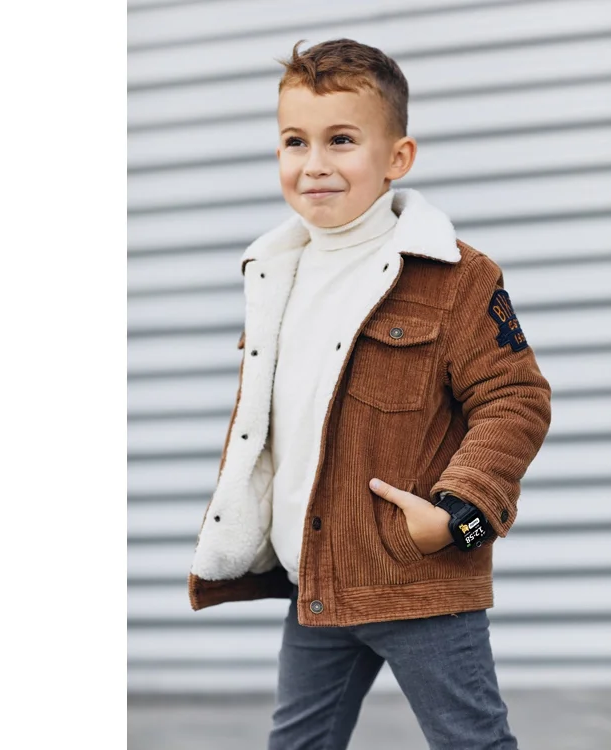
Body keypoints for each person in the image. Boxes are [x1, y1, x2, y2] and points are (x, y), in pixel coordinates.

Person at [188, 37, 551, 750]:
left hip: (414, 578)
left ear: (397, 158)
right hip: (317, 580)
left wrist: (457, 517)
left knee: (472, 742)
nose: (314, 163)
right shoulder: (275, 273)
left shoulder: (452, 276)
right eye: (295, 141)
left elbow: (516, 398)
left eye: (342, 140)